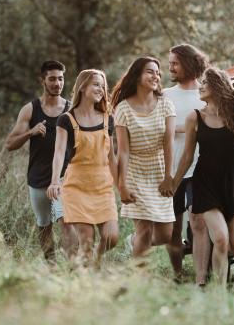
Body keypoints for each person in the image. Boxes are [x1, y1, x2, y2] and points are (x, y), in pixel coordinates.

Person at [171, 67, 234, 286]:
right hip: (206, 183)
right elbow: (187, 156)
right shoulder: (195, 116)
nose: (200, 86)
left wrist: (228, 89)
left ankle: (214, 264)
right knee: (221, 239)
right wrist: (174, 185)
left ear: (218, 86)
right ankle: (218, 294)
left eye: (206, 82)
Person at [6, 60, 77, 262]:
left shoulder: (72, 109)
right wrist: (31, 132)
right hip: (38, 176)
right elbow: (9, 144)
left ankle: (73, 271)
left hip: (65, 175)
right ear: (42, 80)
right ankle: (51, 267)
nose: (57, 83)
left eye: (61, 79)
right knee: (44, 225)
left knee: (66, 222)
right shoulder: (30, 109)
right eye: (52, 79)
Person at [48, 70, 119, 264]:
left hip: (103, 187)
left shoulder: (107, 119)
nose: (101, 89)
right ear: (82, 87)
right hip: (76, 187)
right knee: (86, 242)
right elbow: (59, 153)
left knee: (112, 237)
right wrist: (55, 181)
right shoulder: (66, 120)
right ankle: (86, 283)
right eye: (96, 84)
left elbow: (111, 158)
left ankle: (93, 259)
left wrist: (122, 188)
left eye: (103, 86)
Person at [112, 57, 176, 269]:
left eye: (158, 73)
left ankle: (133, 242)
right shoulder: (123, 108)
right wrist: (122, 184)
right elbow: (123, 150)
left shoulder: (166, 104)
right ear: (137, 75)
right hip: (135, 173)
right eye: (150, 71)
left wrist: (169, 177)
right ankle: (140, 281)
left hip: (159, 172)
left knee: (165, 235)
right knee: (145, 230)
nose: (156, 76)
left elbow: (169, 143)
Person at [162, 44, 211, 285]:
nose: (169, 67)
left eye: (175, 63)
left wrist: (189, 128)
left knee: (199, 222)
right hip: (170, 171)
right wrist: (177, 128)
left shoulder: (206, 95)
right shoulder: (164, 95)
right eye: (170, 63)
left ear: (189, 65)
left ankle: (201, 279)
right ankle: (178, 276)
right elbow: (151, 129)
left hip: (200, 170)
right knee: (173, 228)